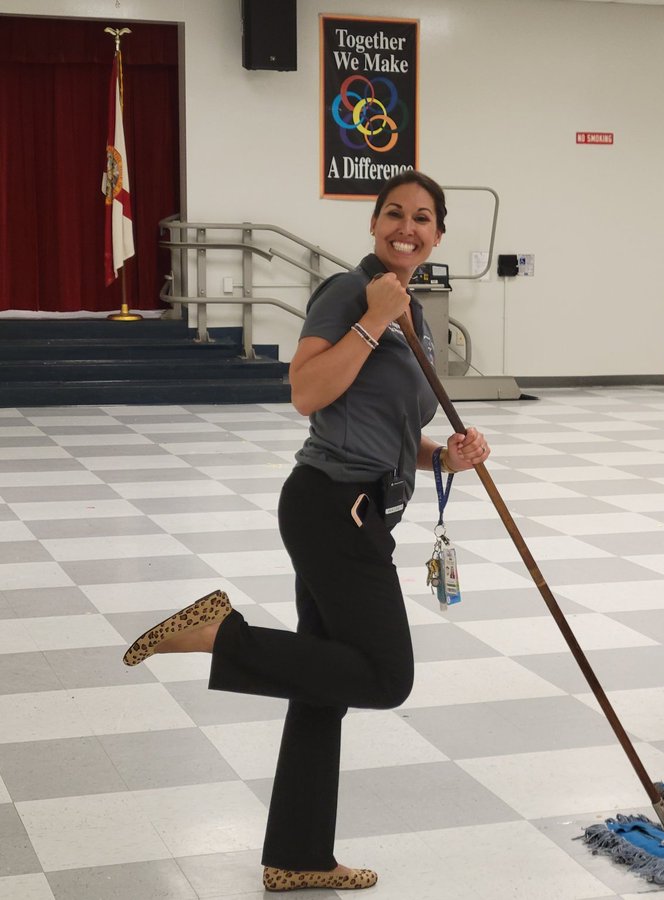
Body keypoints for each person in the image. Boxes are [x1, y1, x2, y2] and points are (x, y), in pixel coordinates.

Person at [121, 171, 489, 892]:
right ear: (373, 222)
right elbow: (306, 392)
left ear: (439, 234)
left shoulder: (416, 310)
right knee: (387, 677)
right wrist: (370, 320)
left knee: (324, 688)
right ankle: (222, 633)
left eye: (422, 218)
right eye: (393, 214)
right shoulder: (348, 293)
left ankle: (298, 854)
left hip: (365, 506)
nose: (406, 227)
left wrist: (447, 455)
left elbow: (396, 429)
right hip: (332, 506)